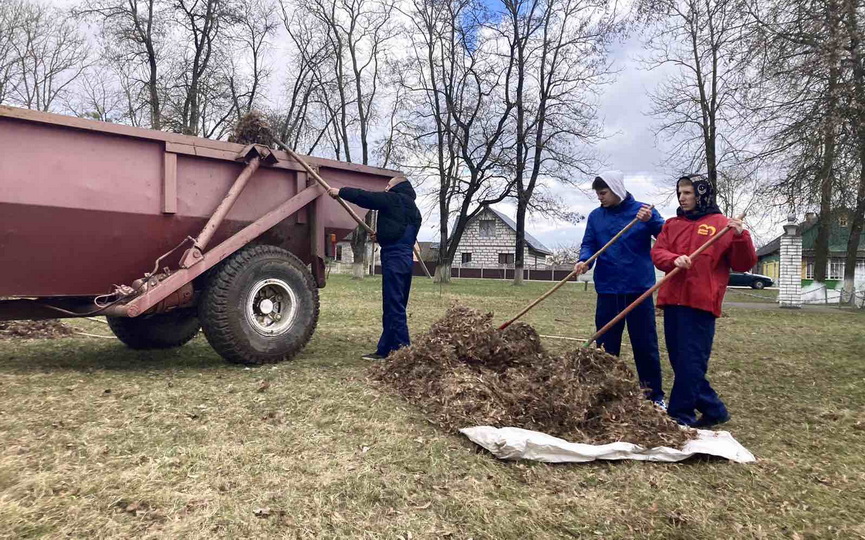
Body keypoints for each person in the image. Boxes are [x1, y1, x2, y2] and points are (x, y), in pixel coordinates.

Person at [651, 174, 757, 428]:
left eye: (688, 193)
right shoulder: (672, 224)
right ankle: (714, 409)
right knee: (680, 361)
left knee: (691, 361)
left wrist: (741, 236)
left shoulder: (723, 225)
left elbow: (744, 263)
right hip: (673, 300)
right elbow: (658, 252)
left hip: (700, 303)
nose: (682, 197)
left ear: (701, 194)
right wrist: (673, 259)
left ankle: (680, 416)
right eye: (680, 193)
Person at [574, 171, 667, 407]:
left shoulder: (643, 211)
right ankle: (604, 393)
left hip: (638, 290)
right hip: (608, 290)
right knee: (605, 346)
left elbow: (666, 236)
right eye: (597, 194)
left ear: (616, 189)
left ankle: (653, 396)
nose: (600, 198)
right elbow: (589, 243)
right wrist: (584, 260)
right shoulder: (596, 217)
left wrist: (651, 221)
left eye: (603, 193)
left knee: (644, 345)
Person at [328, 177, 422, 361]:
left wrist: (341, 192)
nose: (386, 188)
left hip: (394, 258)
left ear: (396, 187)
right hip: (404, 259)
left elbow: (367, 198)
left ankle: (404, 353)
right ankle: (385, 350)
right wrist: (382, 236)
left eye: (388, 185)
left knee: (393, 306)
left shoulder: (394, 199)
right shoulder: (414, 209)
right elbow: (399, 230)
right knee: (395, 304)